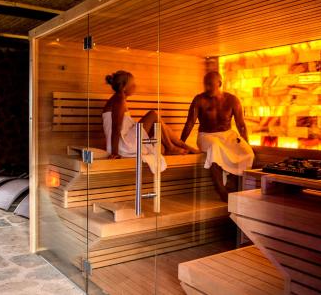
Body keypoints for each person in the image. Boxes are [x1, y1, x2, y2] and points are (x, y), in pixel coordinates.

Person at [180, 71, 254, 202]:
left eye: (210, 85)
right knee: (215, 148)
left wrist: (246, 142)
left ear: (219, 83)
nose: (207, 88)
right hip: (207, 135)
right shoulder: (199, 99)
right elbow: (190, 122)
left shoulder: (232, 100)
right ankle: (222, 191)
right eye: (205, 85)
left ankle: (235, 184)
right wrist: (180, 143)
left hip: (228, 135)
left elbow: (241, 125)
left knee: (248, 153)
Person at [102, 71, 199, 166]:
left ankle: (181, 146)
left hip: (125, 142)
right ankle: (172, 147)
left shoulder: (118, 98)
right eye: (132, 84)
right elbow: (116, 127)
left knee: (161, 135)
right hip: (122, 145)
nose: (135, 86)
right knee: (153, 115)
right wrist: (115, 152)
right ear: (124, 88)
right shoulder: (119, 100)